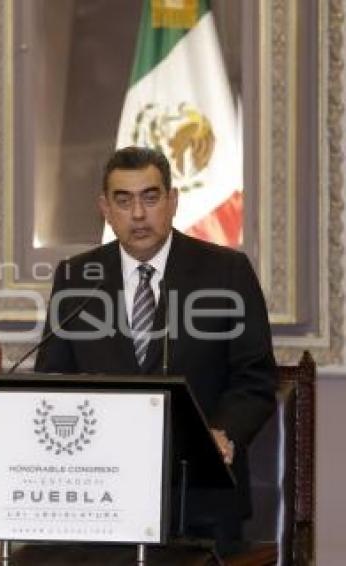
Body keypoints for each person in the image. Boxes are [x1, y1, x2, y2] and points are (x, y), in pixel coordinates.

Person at [35, 146, 277, 553]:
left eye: (150, 197)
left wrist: (222, 432)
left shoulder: (227, 272)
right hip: (102, 494)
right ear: (105, 208)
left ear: (172, 201)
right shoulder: (77, 276)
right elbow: (54, 378)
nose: (139, 214)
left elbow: (254, 378)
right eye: (123, 200)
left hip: (200, 495)